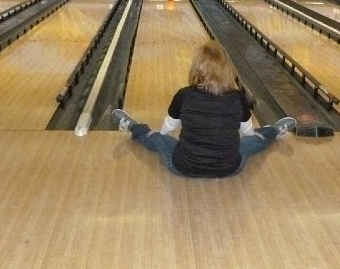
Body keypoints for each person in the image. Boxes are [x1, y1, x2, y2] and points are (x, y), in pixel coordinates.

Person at [111, 41, 297, 178]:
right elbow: (247, 132)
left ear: (196, 68)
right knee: (254, 140)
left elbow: (167, 129)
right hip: (229, 167)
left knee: (158, 139)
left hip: (184, 166)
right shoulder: (238, 98)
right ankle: (274, 131)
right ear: (227, 70)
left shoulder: (184, 95)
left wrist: (168, 135)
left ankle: (133, 127)